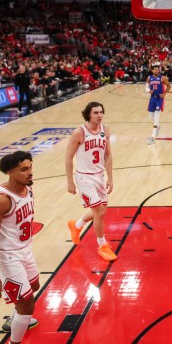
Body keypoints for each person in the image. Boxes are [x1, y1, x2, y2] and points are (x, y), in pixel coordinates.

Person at [0, 151, 40, 343]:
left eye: (30, 167)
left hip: (25, 249)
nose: (30, 172)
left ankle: (15, 318)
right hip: (8, 256)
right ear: (10, 172)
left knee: (33, 286)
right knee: (27, 306)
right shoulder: (0, 200)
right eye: (24, 169)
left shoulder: (27, 188)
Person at [65, 102, 116, 261]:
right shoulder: (79, 133)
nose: (99, 115)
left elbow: (107, 155)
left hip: (99, 176)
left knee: (100, 211)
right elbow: (68, 157)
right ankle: (102, 245)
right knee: (100, 212)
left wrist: (110, 178)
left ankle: (77, 225)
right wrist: (70, 181)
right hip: (84, 178)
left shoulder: (105, 130)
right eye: (95, 112)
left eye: (101, 112)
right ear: (88, 114)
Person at [145, 62, 171, 145]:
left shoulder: (162, 78)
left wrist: (164, 94)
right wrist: (149, 91)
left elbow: (169, 86)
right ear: (152, 70)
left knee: (156, 118)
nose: (156, 70)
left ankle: (153, 137)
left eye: (157, 69)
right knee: (151, 117)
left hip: (159, 99)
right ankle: (158, 126)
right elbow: (146, 87)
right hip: (152, 98)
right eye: (155, 69)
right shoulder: (149, 78)